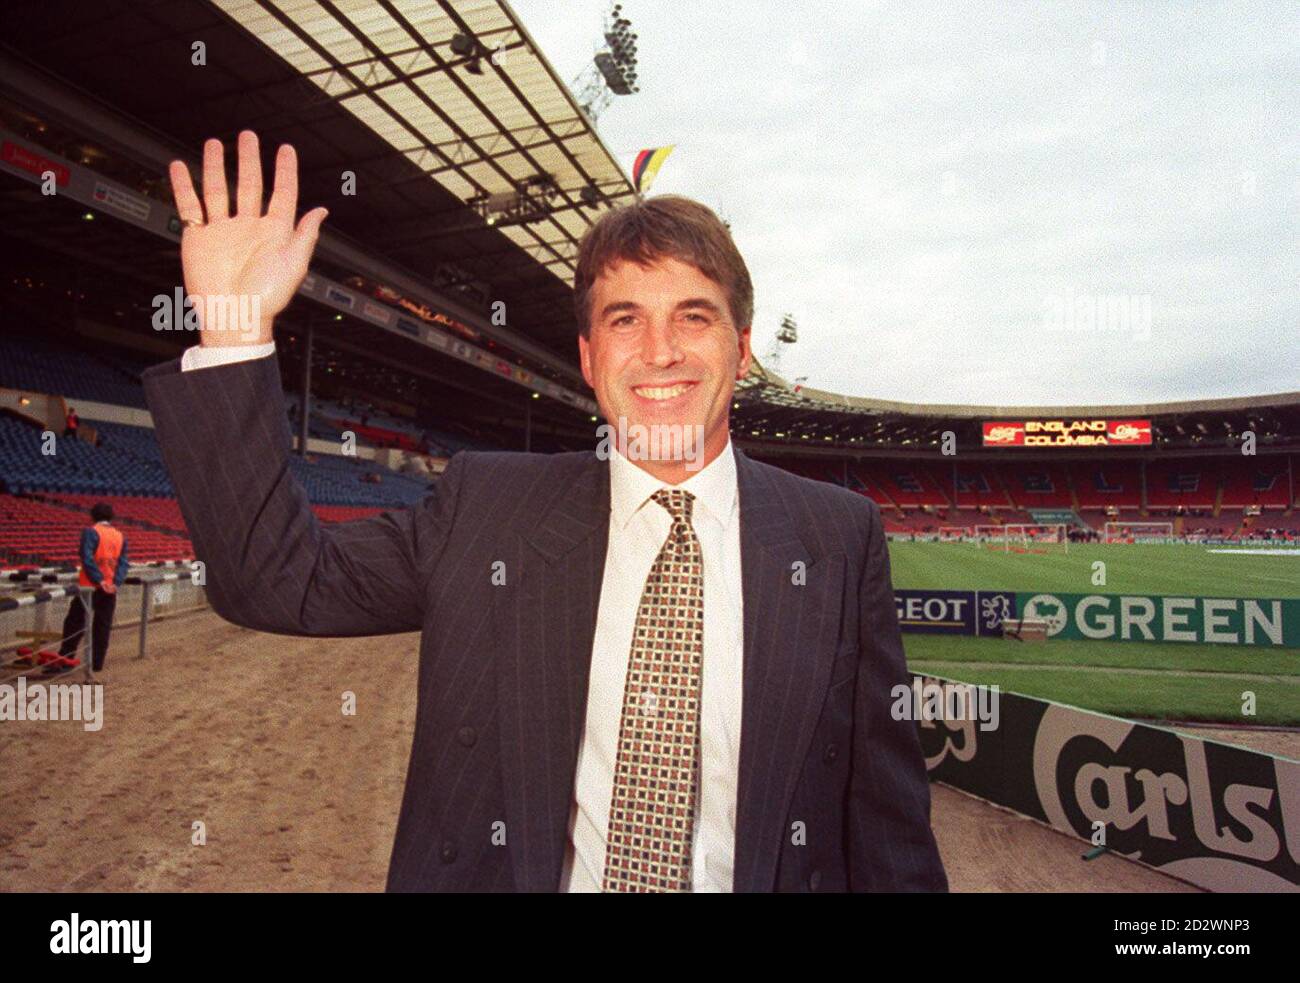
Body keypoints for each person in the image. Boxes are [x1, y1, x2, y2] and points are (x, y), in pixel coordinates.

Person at [144, 130, 947, 893]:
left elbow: (887, 829)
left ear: (742, 350)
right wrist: (234, 332)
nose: (661, 351)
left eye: (692, 317)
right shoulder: (487, 507)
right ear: (591, 359)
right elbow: (276, 580)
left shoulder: (836, 538)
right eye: (625, 319)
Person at [58, 502, 128, 673]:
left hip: (90, 587)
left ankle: (65, 659)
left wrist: (98, 579)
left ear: (92, 516)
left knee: (74, 622)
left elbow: (86, 556)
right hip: (110, 588)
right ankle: (97, 663)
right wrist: (115, 583)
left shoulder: (91, 532)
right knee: (103, 625)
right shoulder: (120, 536)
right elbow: (123, 563)